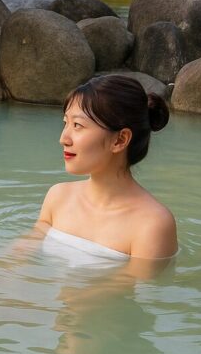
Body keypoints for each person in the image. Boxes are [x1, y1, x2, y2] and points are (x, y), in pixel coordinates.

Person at [36, 74, 178, 265]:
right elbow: (23, 251)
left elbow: (127, 287)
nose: (63, 138)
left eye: (77, 125)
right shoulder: (58, 197)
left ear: (120, 140)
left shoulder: (152, 224)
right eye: (65, 123)